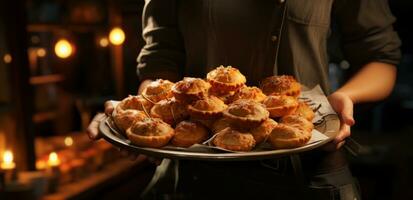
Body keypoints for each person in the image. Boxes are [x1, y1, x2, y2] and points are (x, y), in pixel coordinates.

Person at [87, 0, 401, 199]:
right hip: (196, 174)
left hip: (307, 174)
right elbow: (159, 63)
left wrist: (343, 97)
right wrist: (144, 115)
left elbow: (380, 56)